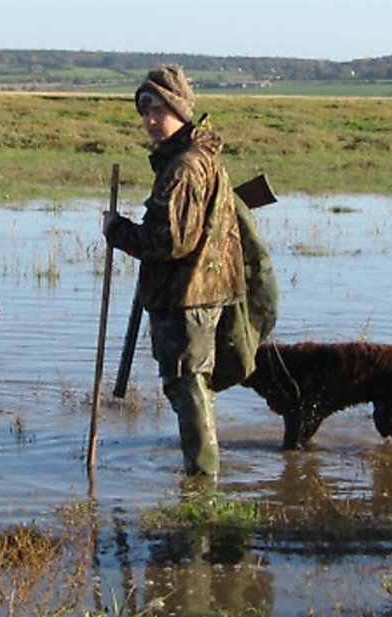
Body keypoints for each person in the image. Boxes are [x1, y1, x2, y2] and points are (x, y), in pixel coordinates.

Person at [102, 64, 246, 476]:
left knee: (187, 386)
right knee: (194, 384)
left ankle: (201, 480)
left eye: (158, 111)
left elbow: (169, 242)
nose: (149, 120)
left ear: (180, 111)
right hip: (204, 289)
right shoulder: (199, 157)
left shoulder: (184, 167)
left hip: (187, 295)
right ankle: (203, 472)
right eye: (144, 111)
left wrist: (119, 231)